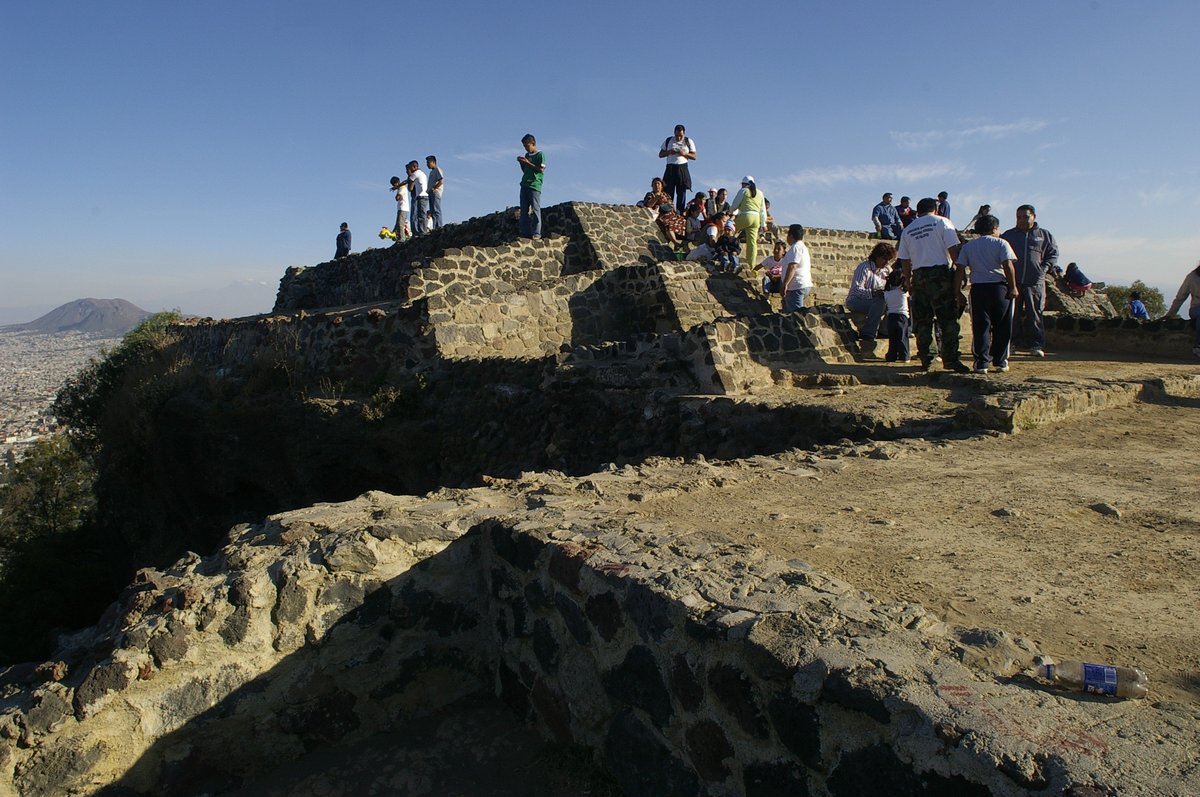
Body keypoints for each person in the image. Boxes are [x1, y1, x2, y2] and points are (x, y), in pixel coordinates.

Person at [897, 197, 969, 372]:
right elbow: (954, 250)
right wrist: (961, 274)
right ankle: (951, 359)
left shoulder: (908, 230)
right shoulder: (943, 222)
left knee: (923, 321)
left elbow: (904, 260)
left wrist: (908, 281)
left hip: (919, 276)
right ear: (935, 209)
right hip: (941, 275)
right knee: (948, 320)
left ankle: (927, 359)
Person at [954, 215, 1018, 373]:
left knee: (981, 326)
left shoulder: (969, 247)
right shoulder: (1001, 243)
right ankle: (1001, 360)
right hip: (999, 288)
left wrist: (957, 291)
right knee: (1003, 325)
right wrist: (1013, 287)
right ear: (995, 228)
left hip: (979, 288)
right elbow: (1008, 266)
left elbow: (960, 269)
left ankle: (981, 362)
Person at [1001, 205, 1058, 357]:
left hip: (1035, 282)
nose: (1021, 220)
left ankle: (1036, 344)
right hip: (1014, 282)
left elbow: (1052, 254)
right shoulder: (1008, 235)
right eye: (1018, 217)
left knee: (1035, 314)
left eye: (1025, 217)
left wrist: (1044, 268)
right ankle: (1012, 343)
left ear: (1034, 216)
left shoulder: (1044, 235)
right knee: (1013, 315)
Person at [847, 242, 895, 343]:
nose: (886, 262)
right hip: (857, 300)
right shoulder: (864, 268)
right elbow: (856, 289)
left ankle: (884, 330)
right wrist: (873, 293)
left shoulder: (887, 270)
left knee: (894, 302)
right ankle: (868, 333)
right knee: (879, 302)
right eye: (884, 259)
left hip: (878, 301)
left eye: (888, 260)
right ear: (877, 256)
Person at [730, 176, 767, 278]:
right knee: (752, 243)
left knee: (731, 232)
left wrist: (730, 213)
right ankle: (751, 265)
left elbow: (734, 205)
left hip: (745, 215)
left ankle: (729, 255)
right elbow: (763, 211)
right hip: (756, 219)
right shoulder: (760, 193)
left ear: (744, 184)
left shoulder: (743, 191)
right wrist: (763, 224)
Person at [1163, 261, 1200, 358]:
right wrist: (1170, 314)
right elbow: (1180, 297)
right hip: (1197, 308)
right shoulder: (1192, 277)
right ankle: (1198, 346)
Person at [658, 124, 697, 213]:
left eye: (681, 136)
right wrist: (669, 152)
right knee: (668, 191)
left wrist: (684, 154)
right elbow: (660, 154)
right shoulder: (669, 140)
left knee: (681, 192)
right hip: (670, 167)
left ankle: (680, 211)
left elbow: (694, 156)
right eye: (677, 135)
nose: (679, 137)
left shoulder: (688, 141)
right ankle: (668, 211)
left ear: (684, 134)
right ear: (674, 133)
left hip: (682, 167)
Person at [517, 133, 545, 239]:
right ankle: (525, 233)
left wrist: (528, 163)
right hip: (525, 184)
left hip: (534, 185)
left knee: (535, 209)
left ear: (533, 144)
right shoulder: (527, 155)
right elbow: (525, 171)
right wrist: (522, 163)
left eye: (527, 146)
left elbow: (541, 170)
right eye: (524, 146)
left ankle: (537, 233)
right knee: (524, 210)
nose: (526, 148)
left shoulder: (540, 154)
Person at [780, 224, 813, 313]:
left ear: (790, 235)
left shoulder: (796, 247)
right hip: (800, 285)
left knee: (796, 316)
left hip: (796, 286)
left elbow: (792, 266)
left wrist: (785, 284)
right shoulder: (801, 247)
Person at [883, 267, 910, 362]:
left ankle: (892, 356)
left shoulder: (887, 293)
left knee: (892, 338)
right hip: (902, 316)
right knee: (902, 337)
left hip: (891, 316)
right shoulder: (903, 292)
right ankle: (904, 356)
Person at [406, 160, 429, 235]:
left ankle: (422, 231)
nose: (409, 170)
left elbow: (410, 188)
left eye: (410, 168)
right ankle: (422, 231)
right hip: (423, 195)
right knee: (421, 215)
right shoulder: (421, 173)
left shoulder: (416, 173)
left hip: (421, 196)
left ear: (414, 167)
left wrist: (409, 174)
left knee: (421, 215)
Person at [389, 176, 411, 240]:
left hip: (403, 208)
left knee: (400, 224)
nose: (394, 185)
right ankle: (396, 237)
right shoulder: (400, 188)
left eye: (394, 184)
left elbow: (399, 197)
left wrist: (397, 196)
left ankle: (402, 239)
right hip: (401, 208)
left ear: (397, 182)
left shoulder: (402, 188)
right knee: (397, 224)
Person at [426, 156, 444, 230]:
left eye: (428, 163)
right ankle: (435, 227)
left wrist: (434, 188)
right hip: (430, 193)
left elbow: (441, 181)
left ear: (433, 162)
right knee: (432, 211)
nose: (427, 164)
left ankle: (439, 226)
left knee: (436, 210)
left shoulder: (437, 170)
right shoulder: (431, 172)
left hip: (435, 192)